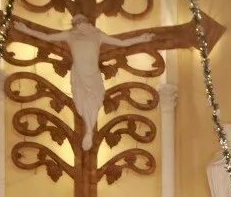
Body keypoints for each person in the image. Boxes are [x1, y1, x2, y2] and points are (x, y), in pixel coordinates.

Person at [14, 17, 155, 151]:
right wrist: (25, 30)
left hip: (93, 74)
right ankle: (89, 130)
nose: (79, 24)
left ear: (87, 23)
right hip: (80, 75)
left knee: (95, 101)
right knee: (82, 102)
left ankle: (89, 130)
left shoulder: (97, 35)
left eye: (81, 21)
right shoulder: (70, 35)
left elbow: (121, 42)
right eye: (77, 22)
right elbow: (46, 37)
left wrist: (141, 39)